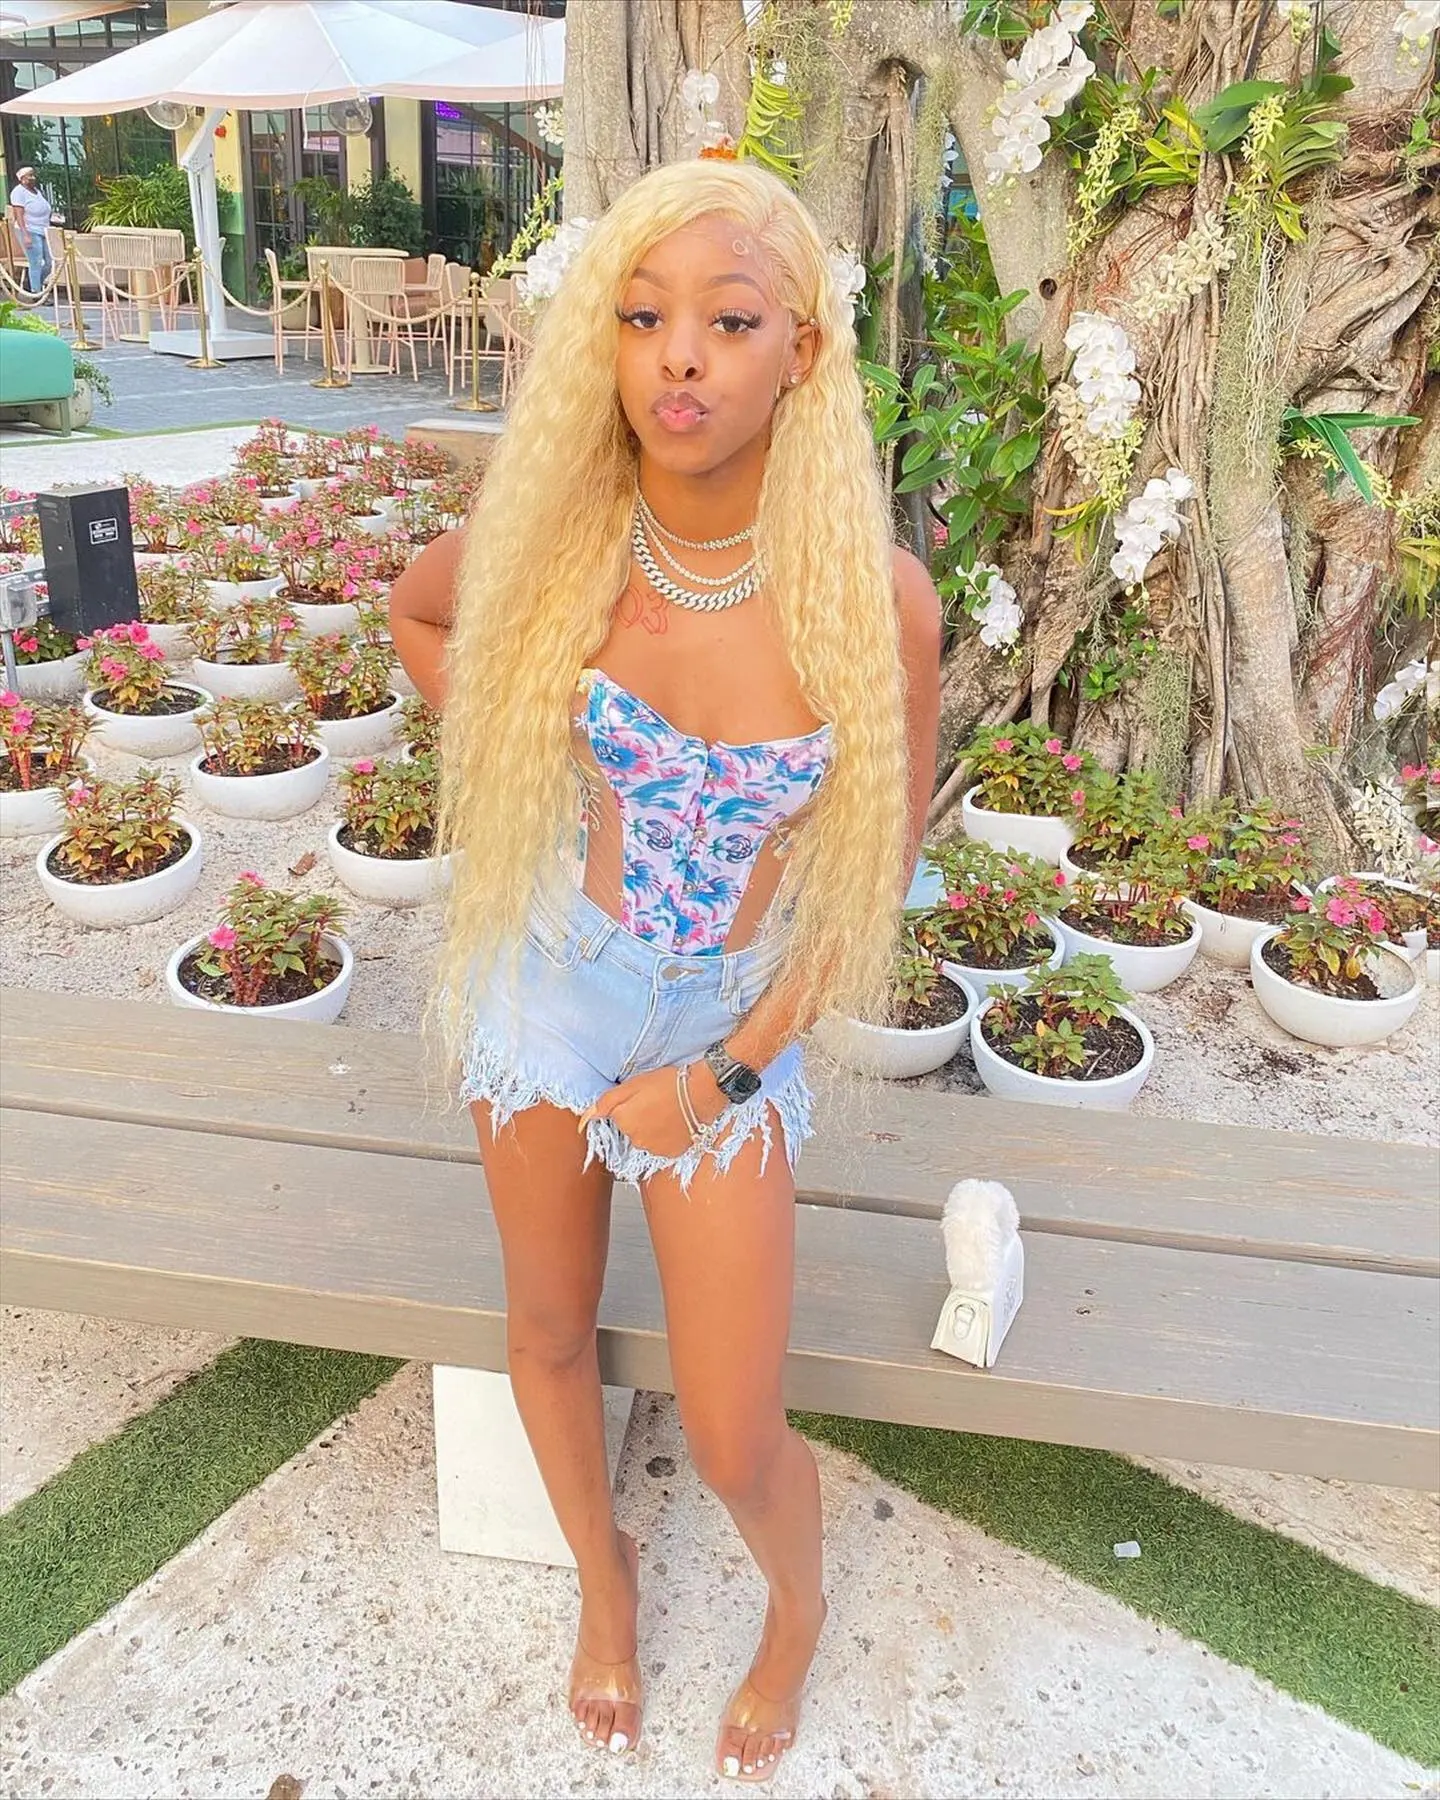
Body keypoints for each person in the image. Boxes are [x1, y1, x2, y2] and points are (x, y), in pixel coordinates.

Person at [389, 158, 941, 1784]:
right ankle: (604, 1585)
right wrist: (513, 730)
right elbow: (421, 617)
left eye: (729, 321)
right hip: (547, 987)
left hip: (729, 1019)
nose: (678, 356)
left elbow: (864, 888)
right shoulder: (560, 541)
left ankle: (796, 1607)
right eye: (641, 318)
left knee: (730, 1427)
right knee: (548, 1329)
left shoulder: (872, 604)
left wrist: (728, 1070)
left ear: (803, 352)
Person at [8, 167, 54, 297]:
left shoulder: (37, 192)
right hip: (29, 230)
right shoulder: (18, 192)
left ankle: (32, 282)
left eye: (33, 175)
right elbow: (19, 215)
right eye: (29, 176)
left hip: (43, 229)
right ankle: (36, 293)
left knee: (49, 262)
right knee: (36, 261)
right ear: (22, 179)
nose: (33, 178)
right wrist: (25, 235)